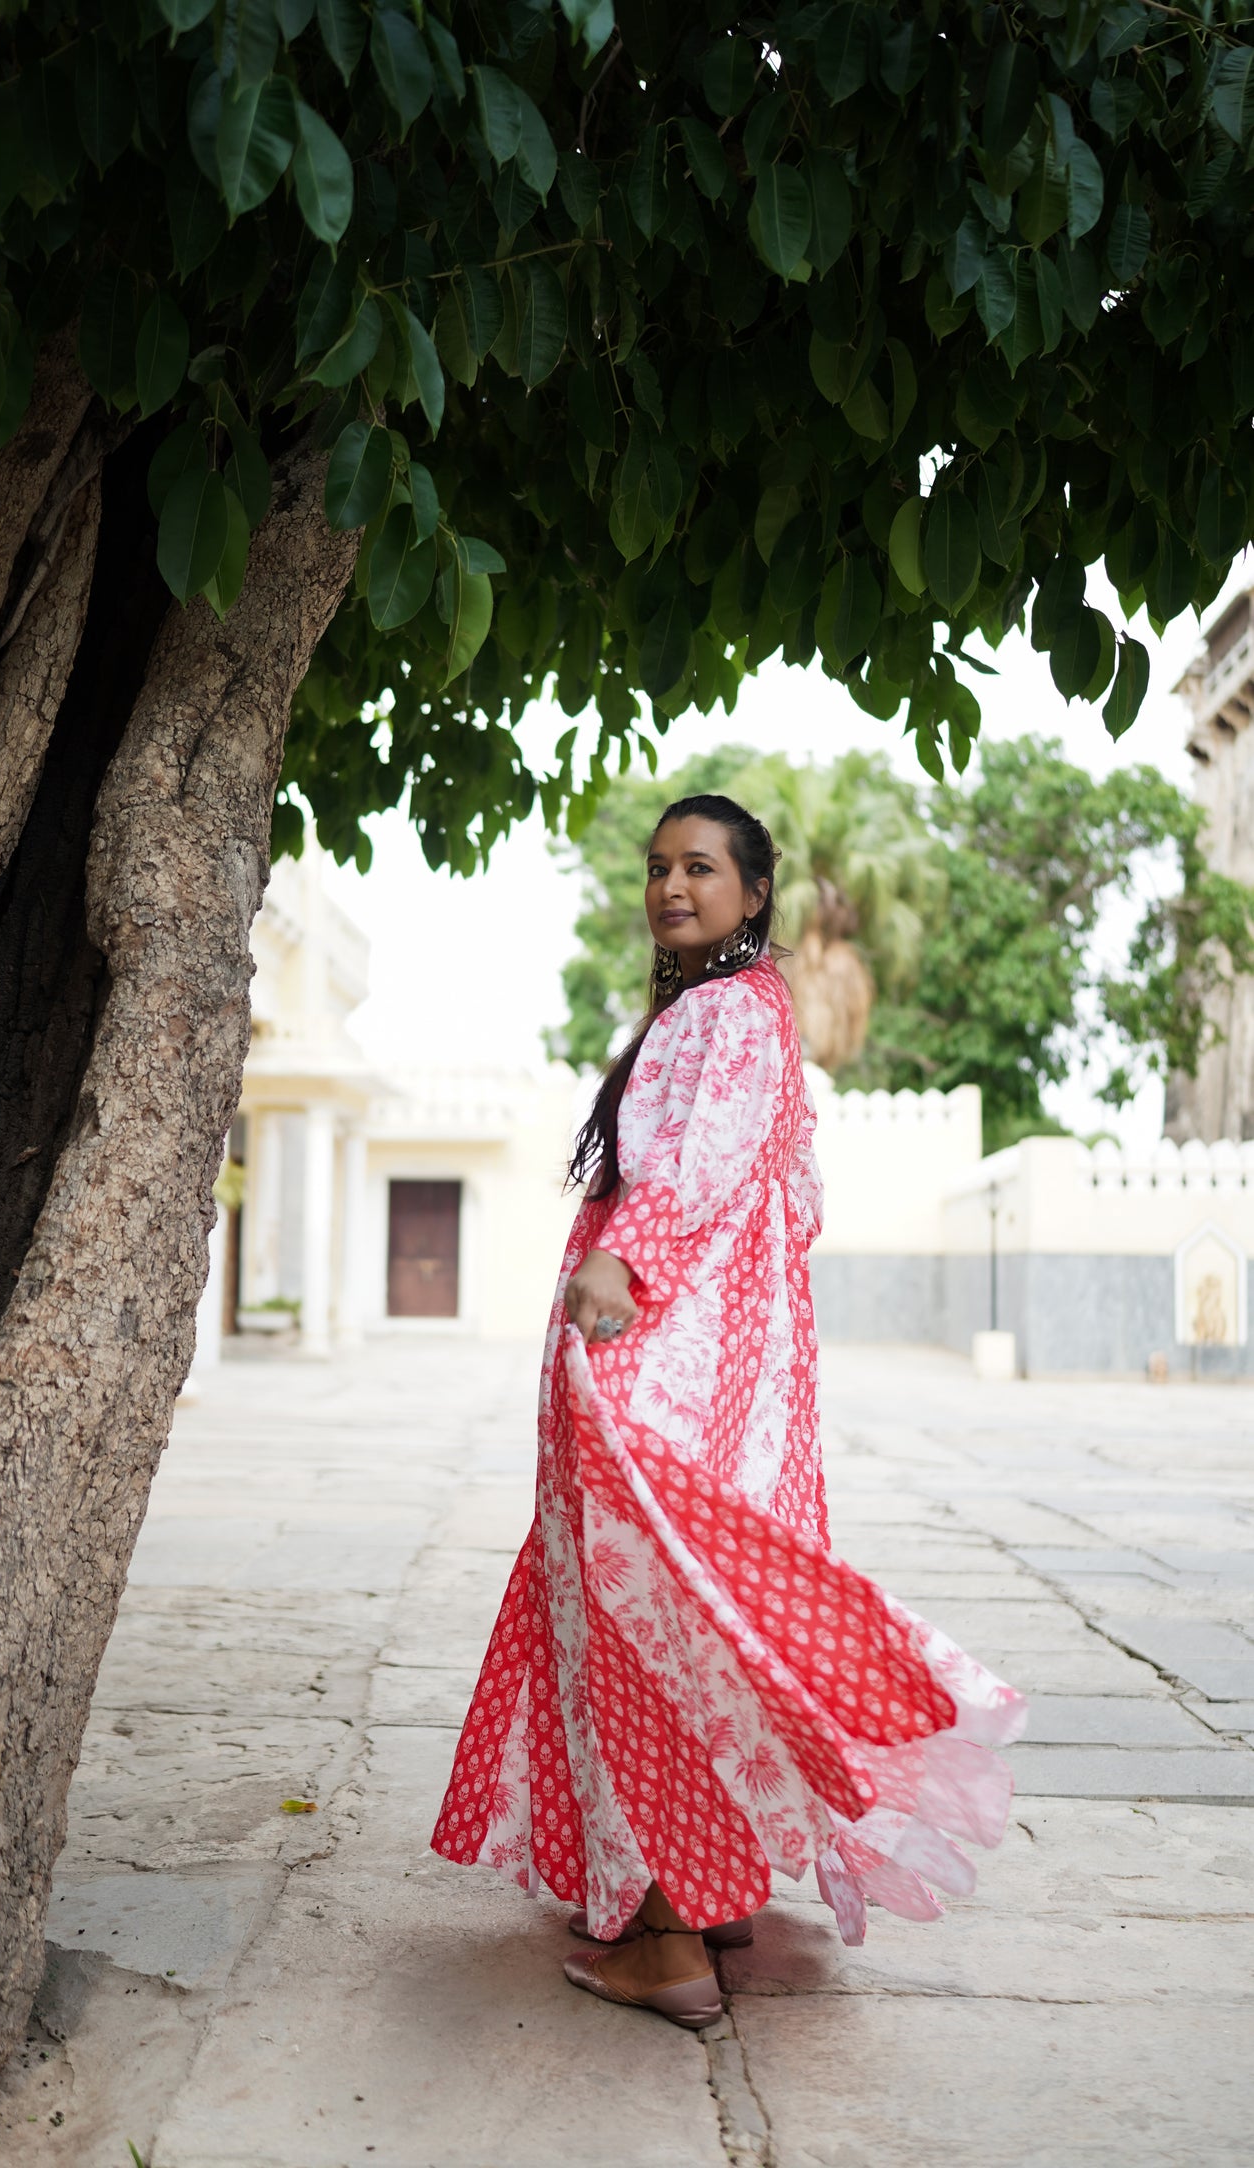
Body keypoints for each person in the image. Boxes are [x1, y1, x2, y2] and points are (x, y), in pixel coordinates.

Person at [432, 793, 1026, 2029]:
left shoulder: (729, 1014)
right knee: (696, 1618)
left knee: (646, 1619)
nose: (670, 887)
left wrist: (626, 1263)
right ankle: (703, 1889)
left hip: (662, 1363)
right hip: (710, 1379)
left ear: (755, 893)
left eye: (699, 867)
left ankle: (666, 1939)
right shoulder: (725, 1012)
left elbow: (693, 1171)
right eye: (656, 868)